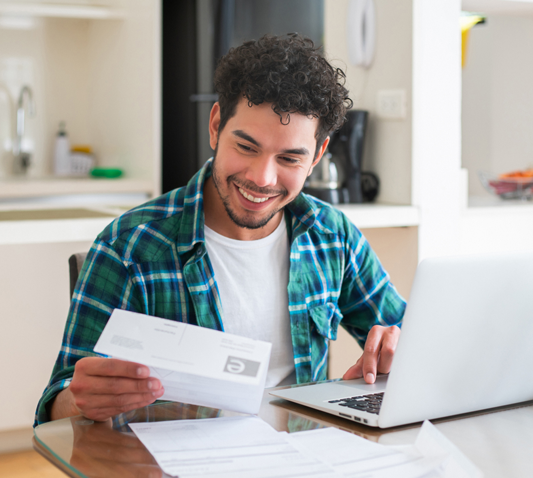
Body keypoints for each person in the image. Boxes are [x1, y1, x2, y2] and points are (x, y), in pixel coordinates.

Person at [35, 34, 406, 426]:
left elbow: (411, 339)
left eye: (288, 158)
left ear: (316, 156)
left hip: (299, 472)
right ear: (215, 127)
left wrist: (397, 346)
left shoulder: (332, 236)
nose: (262, 178)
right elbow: (55, 411)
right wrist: (80, 401)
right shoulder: (130, 247)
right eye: (246, 147)